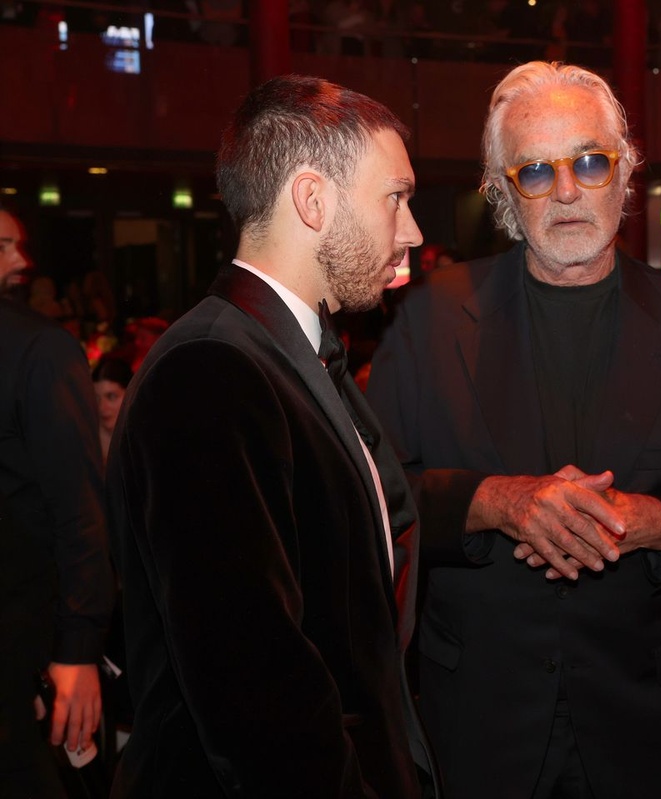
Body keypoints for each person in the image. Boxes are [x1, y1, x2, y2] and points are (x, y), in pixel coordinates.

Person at [367, 61, 661, 799]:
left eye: (589, 162)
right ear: (502, 194)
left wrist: (647, 521)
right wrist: (497, 502)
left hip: (648, 723)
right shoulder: (426, 320)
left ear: (626, 173)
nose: (565, 191)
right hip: (480, 720)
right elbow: (376, 502)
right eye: (535, 171)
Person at [106, 75, 435, 797]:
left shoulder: (286, 353)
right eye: (396, 197)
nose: (412, 230)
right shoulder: (211, 371)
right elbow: (253, 691)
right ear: (313, 200)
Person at [1, 208, 113, 797]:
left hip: (23, 648)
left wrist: (77, 648)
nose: (21, 260)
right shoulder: (41, 348)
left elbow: (79, 511)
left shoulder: (37, 347)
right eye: (5, 245)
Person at [92, 355, 132, 465]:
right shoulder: (85, 442)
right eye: (96, 398)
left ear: (129, 395)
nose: (102, 407)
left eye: (111, 397)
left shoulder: (140, 442)